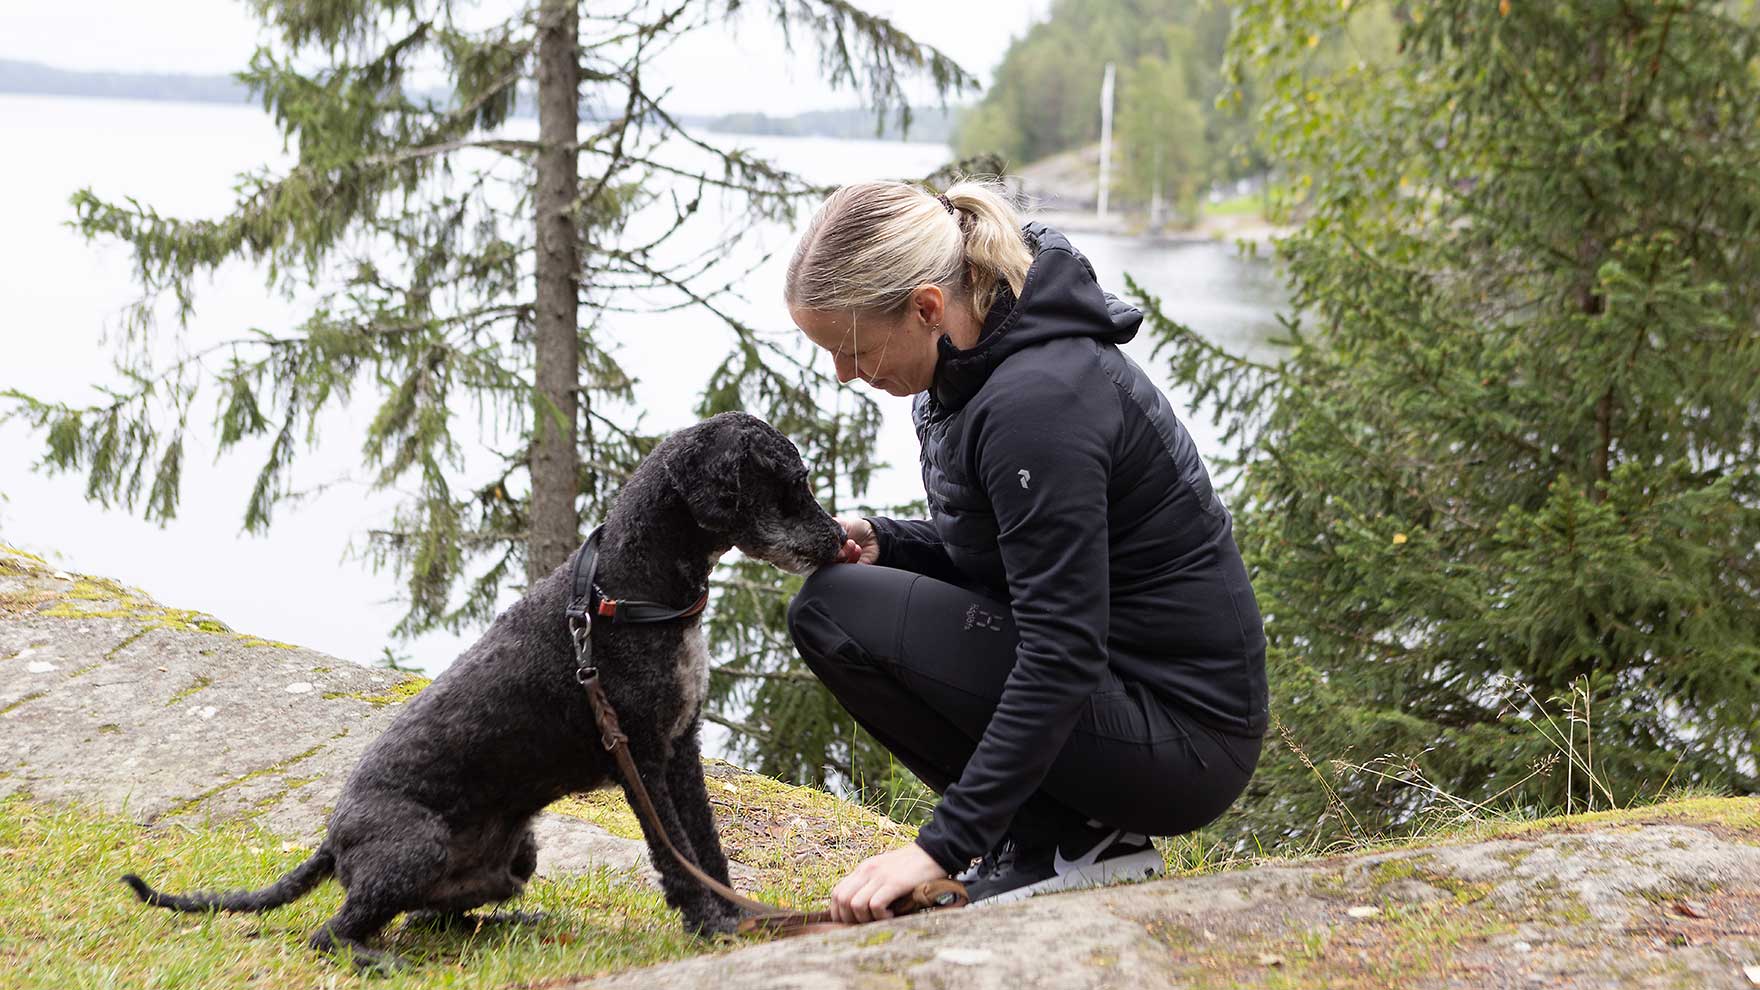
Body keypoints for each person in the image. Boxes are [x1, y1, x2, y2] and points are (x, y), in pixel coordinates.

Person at [783, 178, 1269, 923]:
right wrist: (891, 542)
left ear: (925, 308)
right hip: (1123, 696)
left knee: (837, 611)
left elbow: (1062, 648)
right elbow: (1015, 560)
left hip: (1184, 740)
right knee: (833, 602)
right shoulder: (971, 362)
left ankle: (1064, 843)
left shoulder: (1039, 401)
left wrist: (941, 847)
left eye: (851, 349)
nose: (843, 374)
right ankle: (1067, 836)